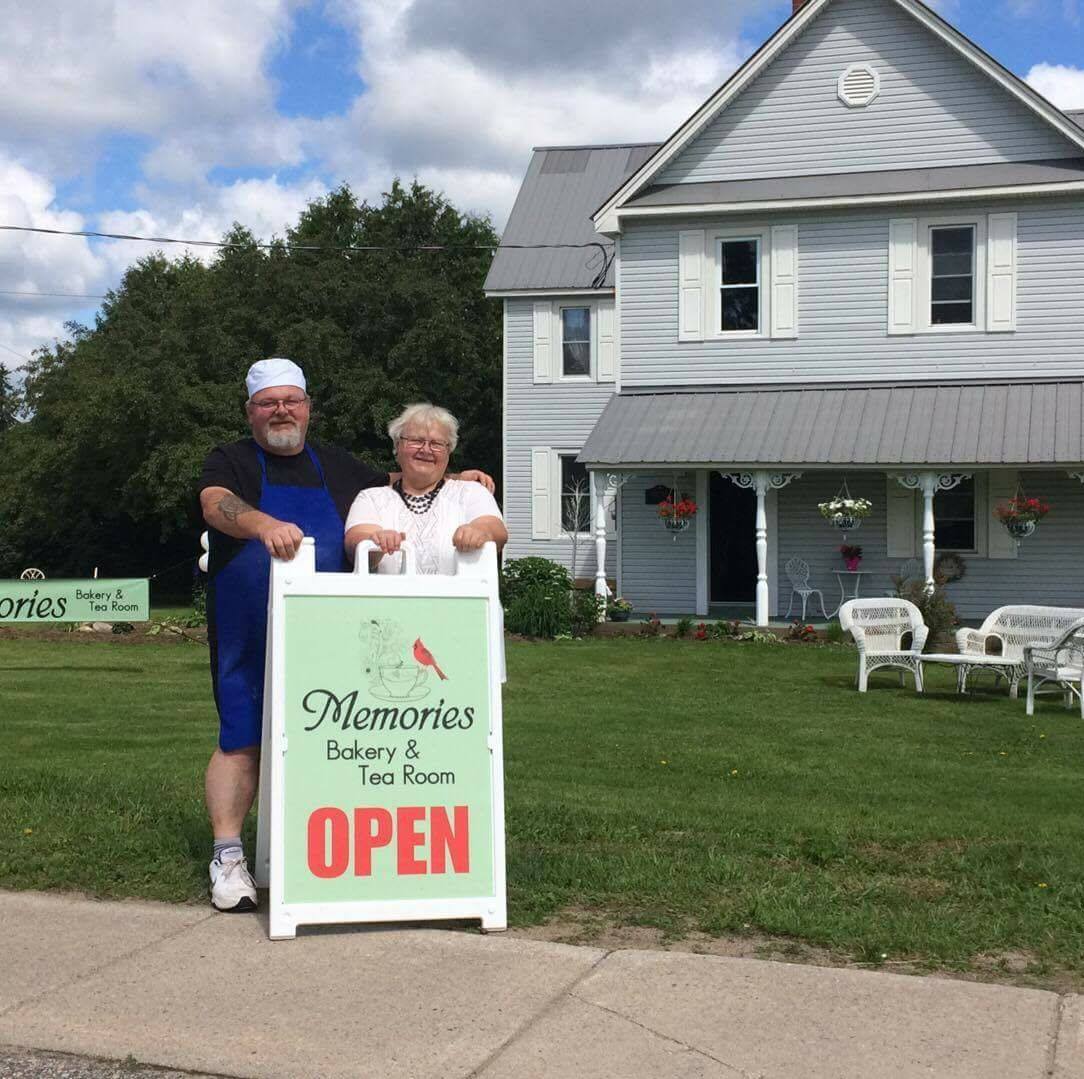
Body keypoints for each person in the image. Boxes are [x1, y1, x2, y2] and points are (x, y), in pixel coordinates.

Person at [198, 360, 493, 912]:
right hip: (248, 627)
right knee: (241, 736)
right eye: (269, 402)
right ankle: (228, 855)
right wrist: (263, 525)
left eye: (292, 400)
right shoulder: (232, 459)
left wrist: (460, 479)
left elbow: (404, 482)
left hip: (328, 636)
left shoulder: (337, 465)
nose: (281, 410)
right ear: (251, 412)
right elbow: (216, 504)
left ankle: (324, 857)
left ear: (308, 407)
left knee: (330, 743)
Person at [344, 403, 507, 573]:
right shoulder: (371, 498)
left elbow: (497, 530)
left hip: (461, 599)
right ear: (397, 447)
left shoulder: (471, 492)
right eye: (416, 441)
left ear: (448, 452)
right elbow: (355, 543)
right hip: (391, 599)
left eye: (436, 444)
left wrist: (480, 532)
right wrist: (374, 542)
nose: (426, 450)